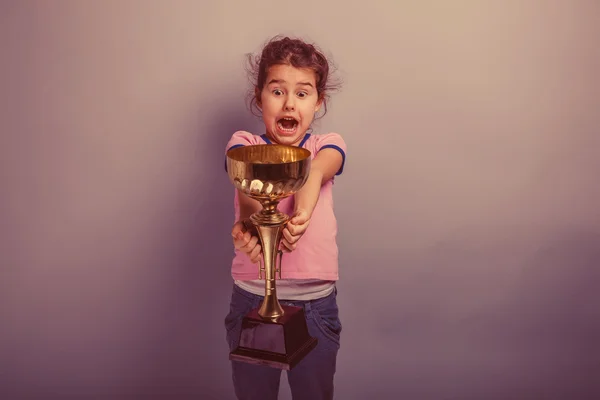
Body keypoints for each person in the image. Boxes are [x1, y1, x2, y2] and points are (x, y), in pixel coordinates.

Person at [223, 35, 347, 400]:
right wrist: (250, 226)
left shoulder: (324, 146)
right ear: (259, 95)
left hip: (314, 307)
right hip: (251, 298)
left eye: (303, 93)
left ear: (318, 102)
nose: (289, 103)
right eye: (277, 92)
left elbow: (314, 172)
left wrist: (301, 215)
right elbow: (247, 187)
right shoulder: (243, 142)